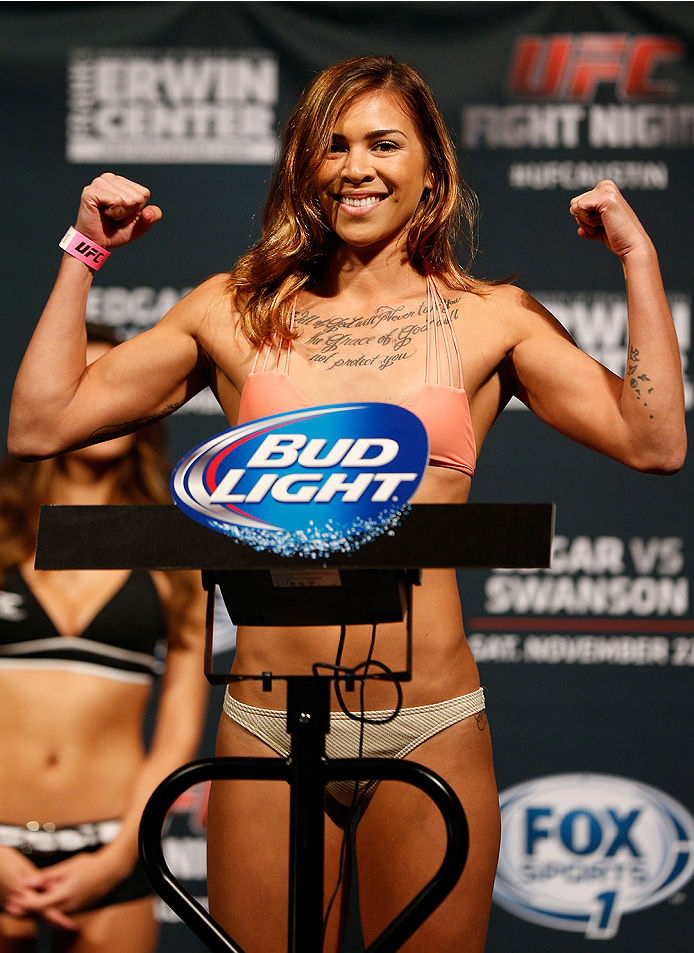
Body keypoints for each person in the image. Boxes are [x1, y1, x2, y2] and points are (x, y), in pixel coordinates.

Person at [7, 54, 686, 953]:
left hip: (428, 717)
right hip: (263, 713)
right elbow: (41, 421)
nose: (354, 165)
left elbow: (655, 440)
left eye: (383, 143)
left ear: (432, 168)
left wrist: (639, 258)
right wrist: (84, 249)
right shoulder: (235, 312)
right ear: (304, 167)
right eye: (331, 145)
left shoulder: (494, 318)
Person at [0, 326, 208, 953]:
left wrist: (120, 858)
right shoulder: (2, 536)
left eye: (113, 384)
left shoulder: (178, 554)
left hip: (112, 850)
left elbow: (177, 729)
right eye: (79, 384)